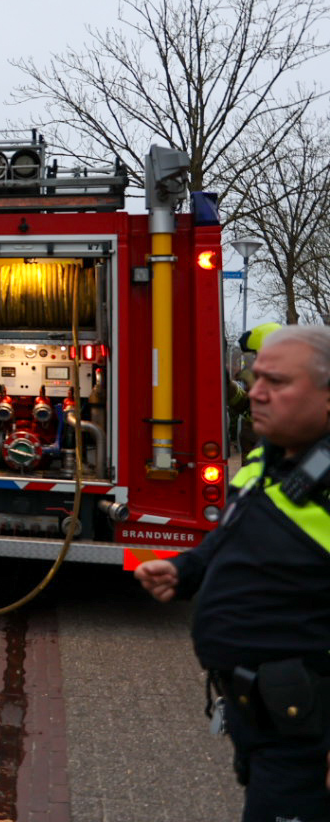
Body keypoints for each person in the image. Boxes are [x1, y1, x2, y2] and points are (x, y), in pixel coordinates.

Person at [135, 324, 330, 822]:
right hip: (262, 720)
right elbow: (228, 539)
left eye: (277, 382)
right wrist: (185, 570)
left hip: (307, 740)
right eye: (255, 375)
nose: (255, 392)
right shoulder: (267, 462)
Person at [228, 322, 284, 457]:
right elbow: (245, 406)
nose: (256, 358)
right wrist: (228, 387)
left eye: (257, 353)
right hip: (254, 442)